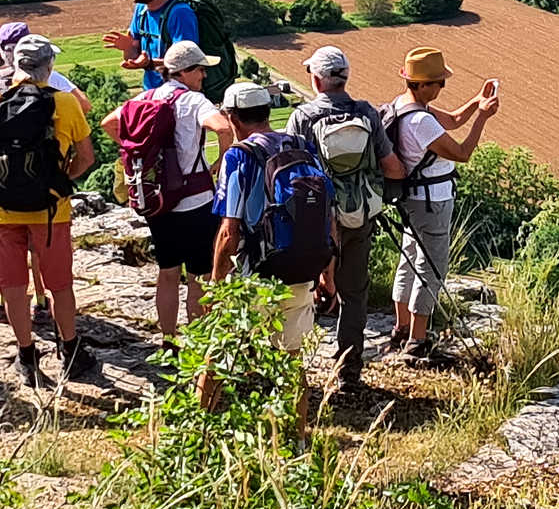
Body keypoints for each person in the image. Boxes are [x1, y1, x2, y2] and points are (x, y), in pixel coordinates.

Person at [0, 34, 98, 387]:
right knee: (59, 285)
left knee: (13, 285)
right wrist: (62, 179)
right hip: (50, 210)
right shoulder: (65, 103)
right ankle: (70, 352)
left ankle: (26, 357)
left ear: (16, 65)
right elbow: (86, 157)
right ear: (49, 66)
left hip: (2, 210)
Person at [0, 21, 92, 323]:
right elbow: (85, 106)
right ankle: (42, 303)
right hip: (49, 197)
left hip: (2, 192)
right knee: (43, 253)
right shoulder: (55, 82)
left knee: (7, 256)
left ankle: (4, 304)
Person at [210, 82, 330, 426]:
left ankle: (199, 436)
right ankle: (298, 439)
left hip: (256, 276)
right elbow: (327, 216)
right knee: (291, 364)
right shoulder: (302, 147)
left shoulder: (239, 156)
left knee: (216, 358)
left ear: (232, 117)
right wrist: (327, 275)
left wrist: (216, 285)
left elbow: (229, 230)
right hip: (300, 269)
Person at [284, 45, 405, 387]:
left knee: (298, 291)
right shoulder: (366, 113)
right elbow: (392, 167)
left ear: (317, 80)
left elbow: (291, 174)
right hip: (360, 215)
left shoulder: (303, 118)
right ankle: (349, 371)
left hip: (315, 222)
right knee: (355, 294)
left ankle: (292, 372)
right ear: (345, 78)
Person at [102, 38, 233, 346]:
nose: (203, 75)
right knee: (198, 277)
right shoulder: (195, 101)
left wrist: (134, 152)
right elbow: (224, 128)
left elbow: (108, 123)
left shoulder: (145, 97)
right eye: (199, 69)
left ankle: (169, 341)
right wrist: (220, 162)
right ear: (184, 72)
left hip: (158, 201)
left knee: (168, 272)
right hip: (196, 200)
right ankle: (199, 344)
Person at [385, 47, 500, 361]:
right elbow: (462, 153)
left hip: (410, 199)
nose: (442, 88)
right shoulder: (421, 121)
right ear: (423, 85)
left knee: (409, 260)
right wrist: (483, 118)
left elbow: (451, 120)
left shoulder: (403, 106)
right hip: (431, 202)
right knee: (431, 268)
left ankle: (401, 328)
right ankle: (417, 342)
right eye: (439, 83)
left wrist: (476, 102)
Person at [103, 0, 198, 91]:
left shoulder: (180, 13)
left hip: (178, 96)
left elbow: (186, 61)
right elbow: (133, 54)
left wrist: (149, 64)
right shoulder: (141, 10)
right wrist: (128, 48)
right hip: (151, 93)